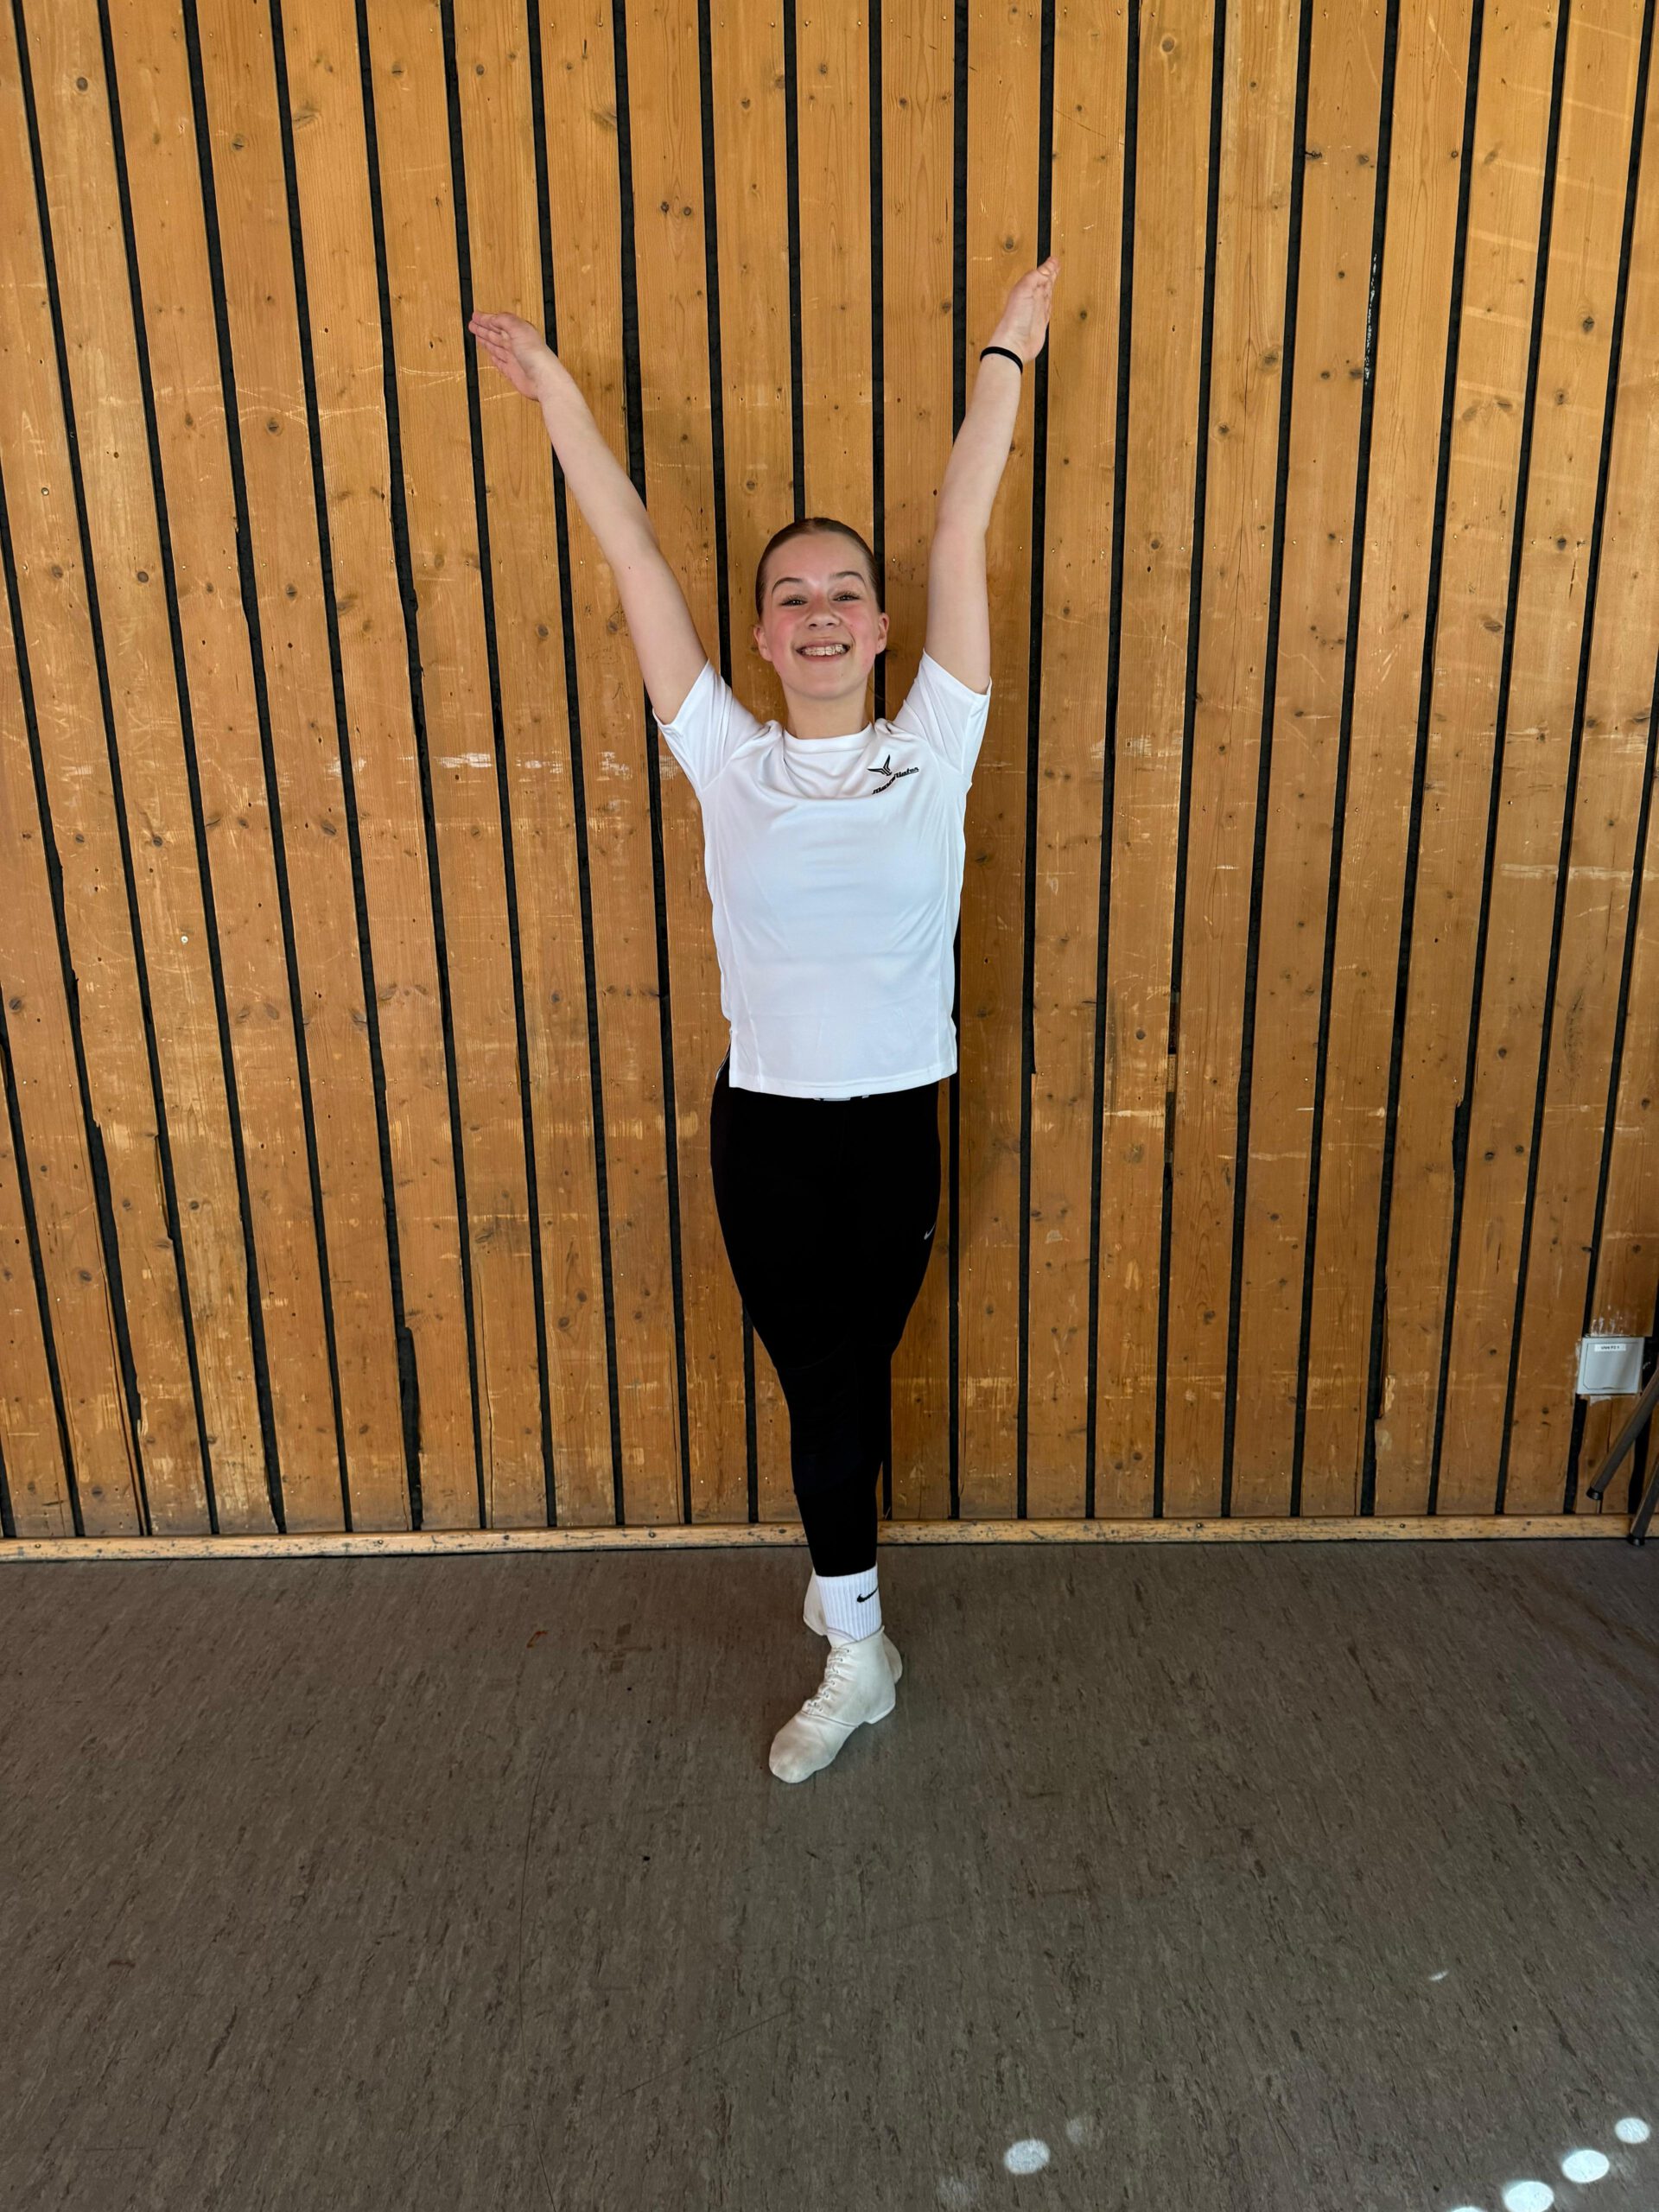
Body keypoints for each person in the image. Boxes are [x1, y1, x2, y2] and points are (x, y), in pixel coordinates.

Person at [469, 253, 1058, 1783]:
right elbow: (630, 551)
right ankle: (857, 1650)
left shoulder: (937, 741)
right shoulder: (725, 756)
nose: (819, 612)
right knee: (825, 1387)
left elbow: (964, 523)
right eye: (789, 596)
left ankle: (848, 1603)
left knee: (852, 1381)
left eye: (843, 592)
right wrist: (560, 397)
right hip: (769, 1135)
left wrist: (1005, 355)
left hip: (899, 1128)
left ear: (883, 626)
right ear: (761, 633)